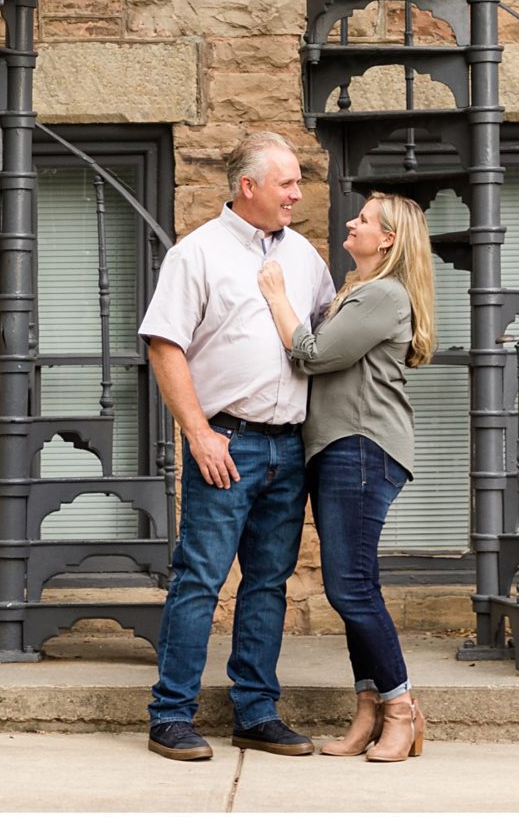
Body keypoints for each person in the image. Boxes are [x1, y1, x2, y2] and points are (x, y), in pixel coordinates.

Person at [139, 131, 336, 763]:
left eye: (297, 183)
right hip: (229, 443)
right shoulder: (196, 254)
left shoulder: (304, 255)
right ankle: (170, 715)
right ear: (247, 187)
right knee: (199, 577)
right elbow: (164, 344)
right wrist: (198, 432)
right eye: (286, 184)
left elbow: (328, 334)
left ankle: (255, 711)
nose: (297, 194)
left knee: (268, 583)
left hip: (289, 447)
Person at [258, 192, 435, 765]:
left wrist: (277, 296)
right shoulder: (356, 292)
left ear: (387, 239)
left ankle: (402, 709)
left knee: (349, 587)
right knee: (356, 585)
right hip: (339, 448)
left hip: (361, 446)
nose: (352, 223)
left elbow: (310, 354)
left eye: (364, 220)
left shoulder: (383, 294)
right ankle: (368, 708)